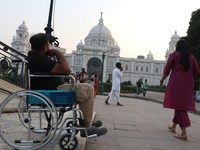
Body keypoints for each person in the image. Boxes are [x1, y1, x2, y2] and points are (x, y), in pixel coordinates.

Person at [27, 33, 107, 137]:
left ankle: (86, 122)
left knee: (85, 89)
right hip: (52, 92)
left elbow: (59, 70)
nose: (50, 47)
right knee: (88, 88)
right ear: (45, 47)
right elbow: (65, 68)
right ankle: (87, 127)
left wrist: (67, 73)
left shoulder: (35, 57)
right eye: (49, 45)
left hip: (49, 90)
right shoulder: (39, 59)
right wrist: (57, 52)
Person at [160, 39, 200, 141]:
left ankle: (184, 133)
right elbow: (197, 71)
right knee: (180, 105)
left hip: (176, 84)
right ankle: (173, 126)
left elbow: (167, 70)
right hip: (187, 85)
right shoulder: (191, 57)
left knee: (179, 106)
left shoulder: (174, 56)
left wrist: (162, 81)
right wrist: (188, 75)